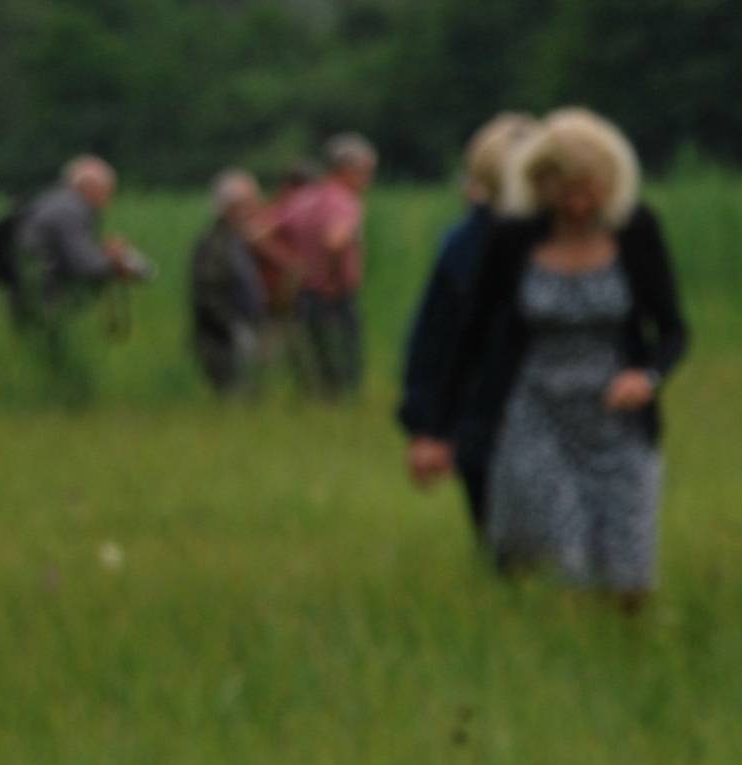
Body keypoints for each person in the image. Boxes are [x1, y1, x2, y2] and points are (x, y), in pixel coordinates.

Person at [408, 108, 688, 603]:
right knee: (568, 561)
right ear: (540, 186)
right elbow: (466, 337)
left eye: (590, 189)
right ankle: (574, 652)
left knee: (629, 578)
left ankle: (625, 655)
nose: (578, 204)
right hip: (537, 415)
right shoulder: (512, 238)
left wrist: (647, 376)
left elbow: (673, 330)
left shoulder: (637, 230)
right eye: (564, 191)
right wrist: (433, 429)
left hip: (618, 420)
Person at [394, 111, 537, 529]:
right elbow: (435, 337)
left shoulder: (579, 237)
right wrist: (427, 426)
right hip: (481, 415)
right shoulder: (464, 246)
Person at [267, 132, 375, 396]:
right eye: (366, 171)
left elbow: (260, 233)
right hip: (335, 295)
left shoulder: (304, 197)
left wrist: (292, 263)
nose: (368, 179)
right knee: (344, 367)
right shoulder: (345, 201)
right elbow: (335, 241)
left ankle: (321, 411)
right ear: (347, 169)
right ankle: (344, 416)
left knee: (317, 368)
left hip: (305, 293)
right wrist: (332, 279)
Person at [12, 155, 145, 329]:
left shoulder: (57, 201)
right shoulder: (71, 210)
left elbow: (70, 251)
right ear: (90, 187)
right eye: (107, 192)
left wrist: (101, 253)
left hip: (27, 289)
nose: (108, 201)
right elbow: (84, 264)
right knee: (49, 344)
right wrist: (115, 262)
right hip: (43, 296)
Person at [188, 171, 270, 392]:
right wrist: (233, 327)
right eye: (252, 202)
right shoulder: (215, 244)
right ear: (234, 207)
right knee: (233, 400)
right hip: (222, 339)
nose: (257, 208)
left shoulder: (236, 239)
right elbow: (207, 294)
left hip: (239, 332)